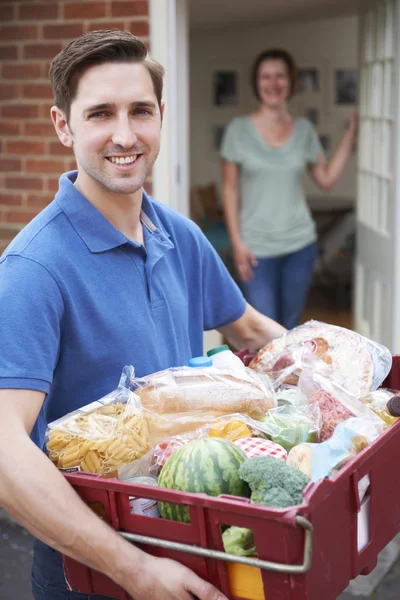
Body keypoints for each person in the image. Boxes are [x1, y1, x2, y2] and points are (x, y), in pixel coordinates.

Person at [0, 30, 286, 600]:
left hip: (195, 546)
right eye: (101, 114)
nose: (125, 135)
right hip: (92, 574)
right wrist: (133, 571)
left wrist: (359, 392)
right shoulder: (32, 269)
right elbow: (5, 452)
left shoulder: (179, 234)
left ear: (161, 116)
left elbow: (252, 329)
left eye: (140, 111)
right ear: (64, 127)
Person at [221, 48, 358, 330]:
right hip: (256, 249)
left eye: (280, 76)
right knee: (264, 331)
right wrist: (236, 242)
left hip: (299, 245)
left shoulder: (305, 130)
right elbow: (230, 189)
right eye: (265, 77)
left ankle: (289, 377)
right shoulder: (238, 130)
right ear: (256, 83)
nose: (273, 83)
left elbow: (327, 179)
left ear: (291, 81)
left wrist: (350, 134)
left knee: (291, 328)